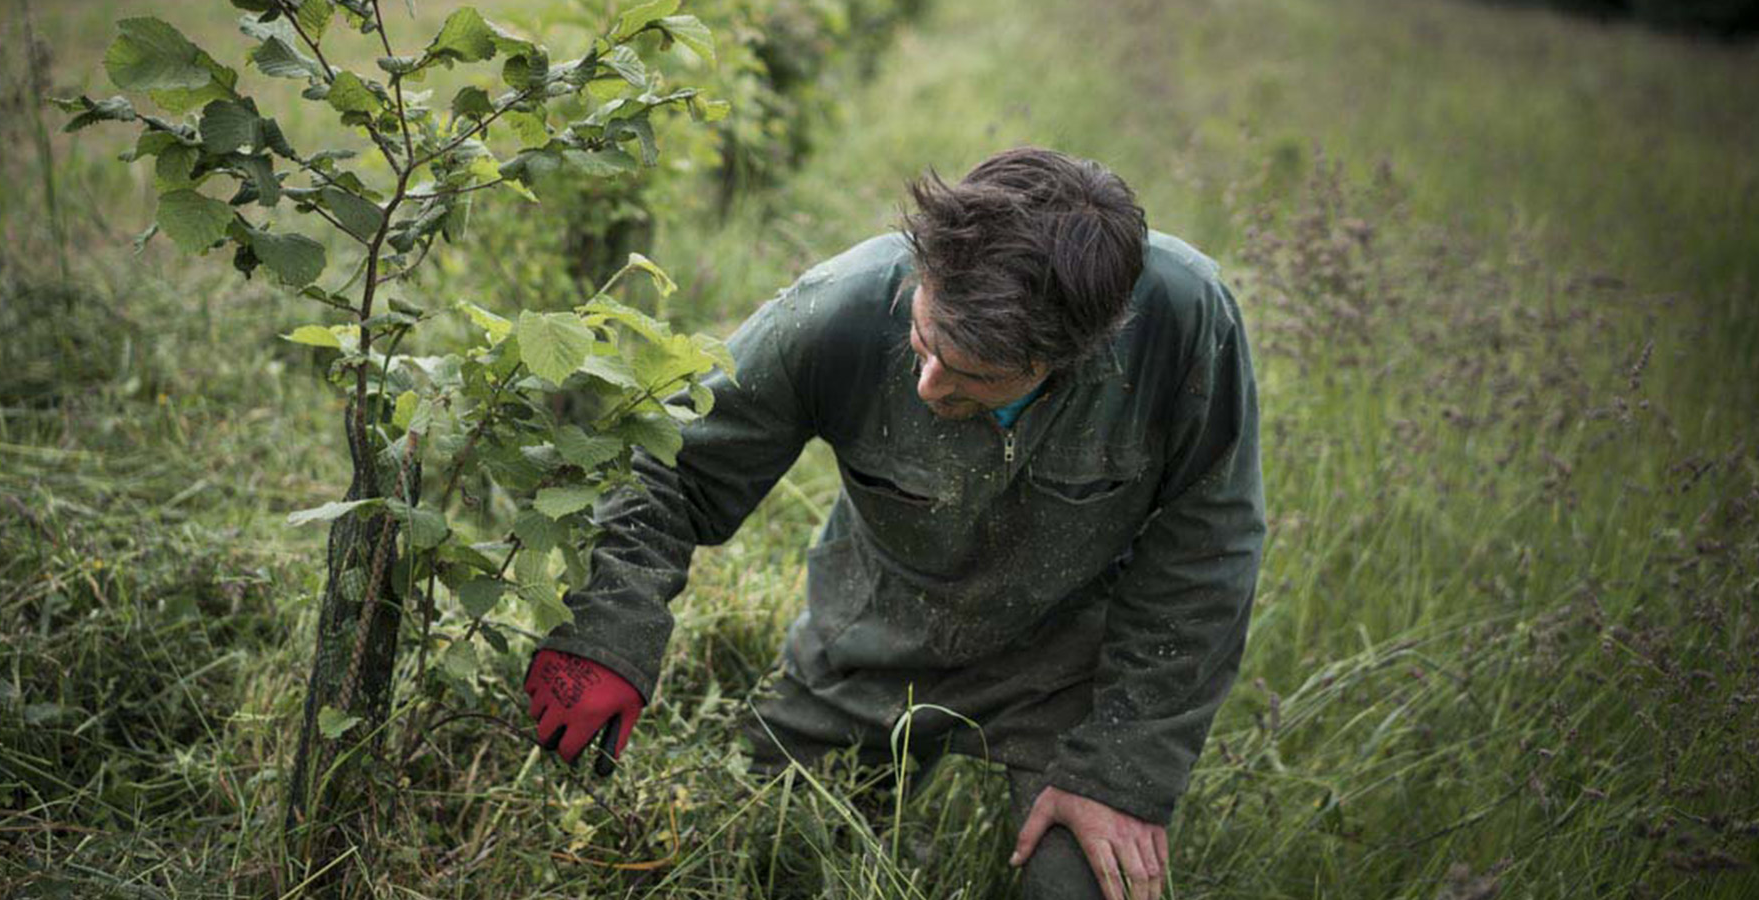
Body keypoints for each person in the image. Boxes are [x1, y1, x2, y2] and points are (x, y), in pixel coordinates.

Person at [522, 146, 1267, 900]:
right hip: (872, 644)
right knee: (767, 853)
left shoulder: (1184, 320)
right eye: (924, 336)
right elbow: (669, 467)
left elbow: (1209, 550)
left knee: (1079, 886)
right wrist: (609, 633)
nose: (928, 380)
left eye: (972, 373)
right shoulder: (839, 306)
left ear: (1070, 357)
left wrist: (1121, 772)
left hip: (1071, 668)